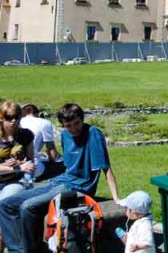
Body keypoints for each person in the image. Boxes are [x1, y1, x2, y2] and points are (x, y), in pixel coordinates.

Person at [0, 103, 120, 253]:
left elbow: (106, 168)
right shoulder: (64, 135)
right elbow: (68, 164)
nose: (73, 129)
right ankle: (16, 250)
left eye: (76, 123)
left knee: (28, 207)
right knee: (6, 204)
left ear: (82, 119)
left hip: (78, 187)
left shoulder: (93, 134)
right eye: (68, 125)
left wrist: (116, 199)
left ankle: (31, 249)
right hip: (60, 180)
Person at [0, 102, 36, 200]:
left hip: (16, 180)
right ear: (1, 118)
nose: (13, 121)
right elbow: (20, 168)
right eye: (8, 117)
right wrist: (15, 167)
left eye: (17, 117)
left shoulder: (26, 135)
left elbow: (31, 161)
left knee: (4, 202)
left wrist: (27, 165)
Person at [19, 104, 63, 180]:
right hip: (30, 167)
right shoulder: (44, 123)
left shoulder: (17, 122)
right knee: (63, 165)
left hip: (14, 165)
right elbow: (52, 151)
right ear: (37, 113)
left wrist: (39, 154)